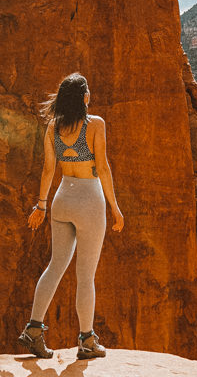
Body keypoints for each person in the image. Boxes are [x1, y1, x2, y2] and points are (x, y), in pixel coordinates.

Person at [18, 72, 124, 360]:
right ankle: (87, 341)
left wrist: (40, 206)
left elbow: (48, 171)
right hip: (89, 201)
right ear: (85, 97)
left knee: (55, 266)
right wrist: (115, 207)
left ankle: (34, 330)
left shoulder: (53, 126)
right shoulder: (95, 125)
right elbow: (102, 168)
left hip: (62, 199)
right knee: (85, 275)